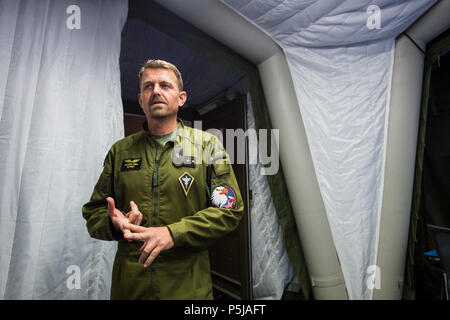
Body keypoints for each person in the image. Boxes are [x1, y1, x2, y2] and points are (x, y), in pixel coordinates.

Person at [82, 59, 243, 299]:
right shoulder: (121, 151)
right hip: (130, 287)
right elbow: (94, 213)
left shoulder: (207, 145)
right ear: (140, 100)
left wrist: (172, 233)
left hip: (188, 288)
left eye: (165, 85)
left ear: (181, 98)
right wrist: (114, 224)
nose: (156, 91)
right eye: (148, 86)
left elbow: (228, 210)